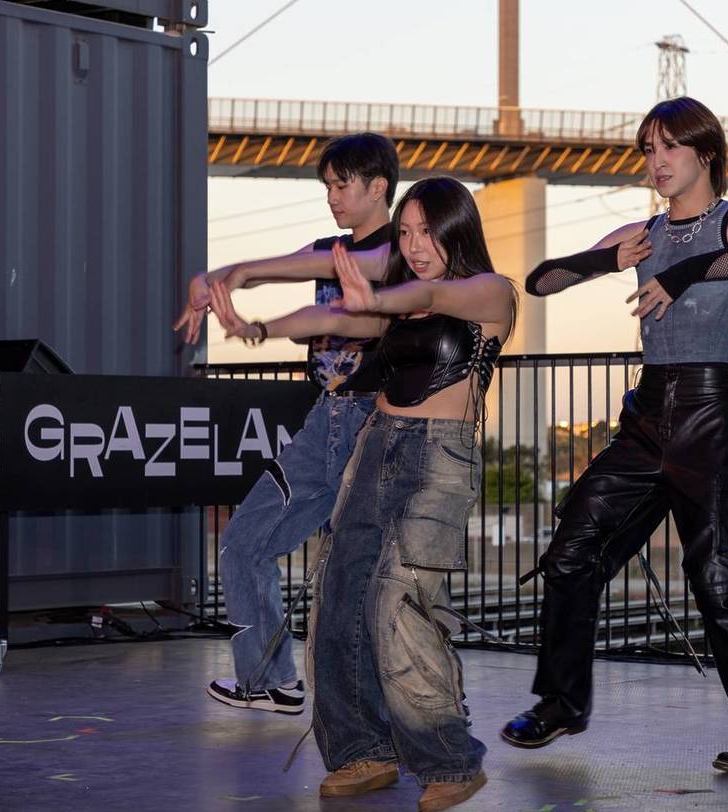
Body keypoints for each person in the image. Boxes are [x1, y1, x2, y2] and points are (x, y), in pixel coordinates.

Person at [500, 96, 728, 775]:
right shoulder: (640, 230)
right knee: (573, 549)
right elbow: (540, 280)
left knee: (722, 579)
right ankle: (561, 703)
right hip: (646, 418)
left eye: (669, 147)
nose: (656, 161)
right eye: (647, 148)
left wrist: (684, 269)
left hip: (709, 413)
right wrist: (611, 259)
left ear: (705, 152)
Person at [209, 176, 515, 812]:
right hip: (374, 446)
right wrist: (255, 327)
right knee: (341, 597)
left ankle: (449, 760)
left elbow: (428, 291)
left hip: (437, 458)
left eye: (428, 230)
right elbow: (334, 315)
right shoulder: (398, 302)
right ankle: (361, 752)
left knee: (396, 605)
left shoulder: (489, 291)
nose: (416, 242)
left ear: (458, 228)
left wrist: (379, 294)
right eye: (405, 232)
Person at [173, 132, 398, 714]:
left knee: (367, 576)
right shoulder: (331, 245)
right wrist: (217, 278)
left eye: (341, 185)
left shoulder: (402, 251)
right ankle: (270, 679)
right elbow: (290, 267)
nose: (332, 197)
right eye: (326, 186)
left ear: (378, 187)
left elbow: (331, 297)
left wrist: (250, 307)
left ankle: (400, 708)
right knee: (244, 541)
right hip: (324, 422)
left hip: (375, 425)